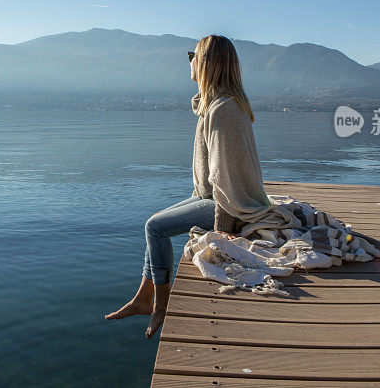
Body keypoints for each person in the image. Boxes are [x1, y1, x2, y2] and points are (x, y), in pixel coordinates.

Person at [104, 34, 273, 339]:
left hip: (229, 205)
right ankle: (144, 297)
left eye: (192, 55)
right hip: (211, 196)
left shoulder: (224, 110)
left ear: (206, 63)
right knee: (155, 222)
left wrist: (224, 229)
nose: (189, 61)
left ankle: (160, 307)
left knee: (155, 227)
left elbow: (228, 176)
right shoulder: (214, 105)